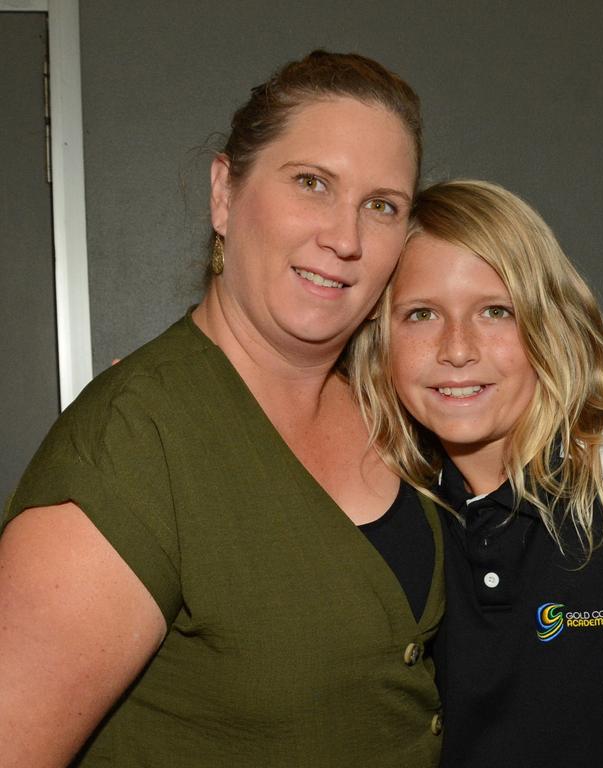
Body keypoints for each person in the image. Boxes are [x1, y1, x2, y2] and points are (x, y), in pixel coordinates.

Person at [0, 51, 445, 767]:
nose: (345, 238)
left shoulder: (393, 411)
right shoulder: (134, 444)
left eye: (381, 206)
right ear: (224, 194)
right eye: (311, 183)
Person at [349, 179, 603, 767]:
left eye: (496, 311)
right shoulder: (387, 511)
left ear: (548, 323)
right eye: (421, 314)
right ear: (379, 341)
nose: (458, 348)